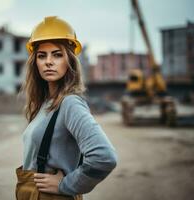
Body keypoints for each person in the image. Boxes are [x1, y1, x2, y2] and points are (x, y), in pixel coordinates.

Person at [16, 16, 117, 200]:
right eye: (41, 55)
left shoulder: (70, 103)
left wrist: (66, 185)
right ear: (35, 62)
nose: (48, 61)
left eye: (57, 54)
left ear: (69, 60)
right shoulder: (45, 103)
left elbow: (104, 157)